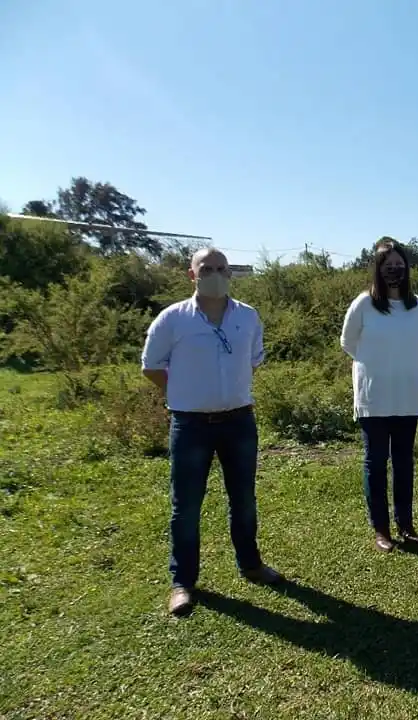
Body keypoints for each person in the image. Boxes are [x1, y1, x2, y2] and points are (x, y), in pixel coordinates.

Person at [141, 247, 281, 616]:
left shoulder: (248, 317)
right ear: (192, 275)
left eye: (221, 268)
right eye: (207, 268)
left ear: (230, 274)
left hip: (238, 421)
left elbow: (252, 363)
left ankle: (251, 564)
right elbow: (151, 366)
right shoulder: (173, 319)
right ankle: (182, 583)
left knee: (244, 500)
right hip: (191, 425)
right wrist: (182, 395)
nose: (215, 273)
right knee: (185, 507)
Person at [340, 238, 418, 553]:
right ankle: (381, 528)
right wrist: (374, 366)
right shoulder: (363, 304)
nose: (394, 271)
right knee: (376, 462)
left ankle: (406, 523)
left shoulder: (417, 305)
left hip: (407, 396)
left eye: (399, 266)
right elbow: (348, 343)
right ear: (377, 269)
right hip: (373, 397)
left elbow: (414, 343)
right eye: (388, 266)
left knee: (403, 462)